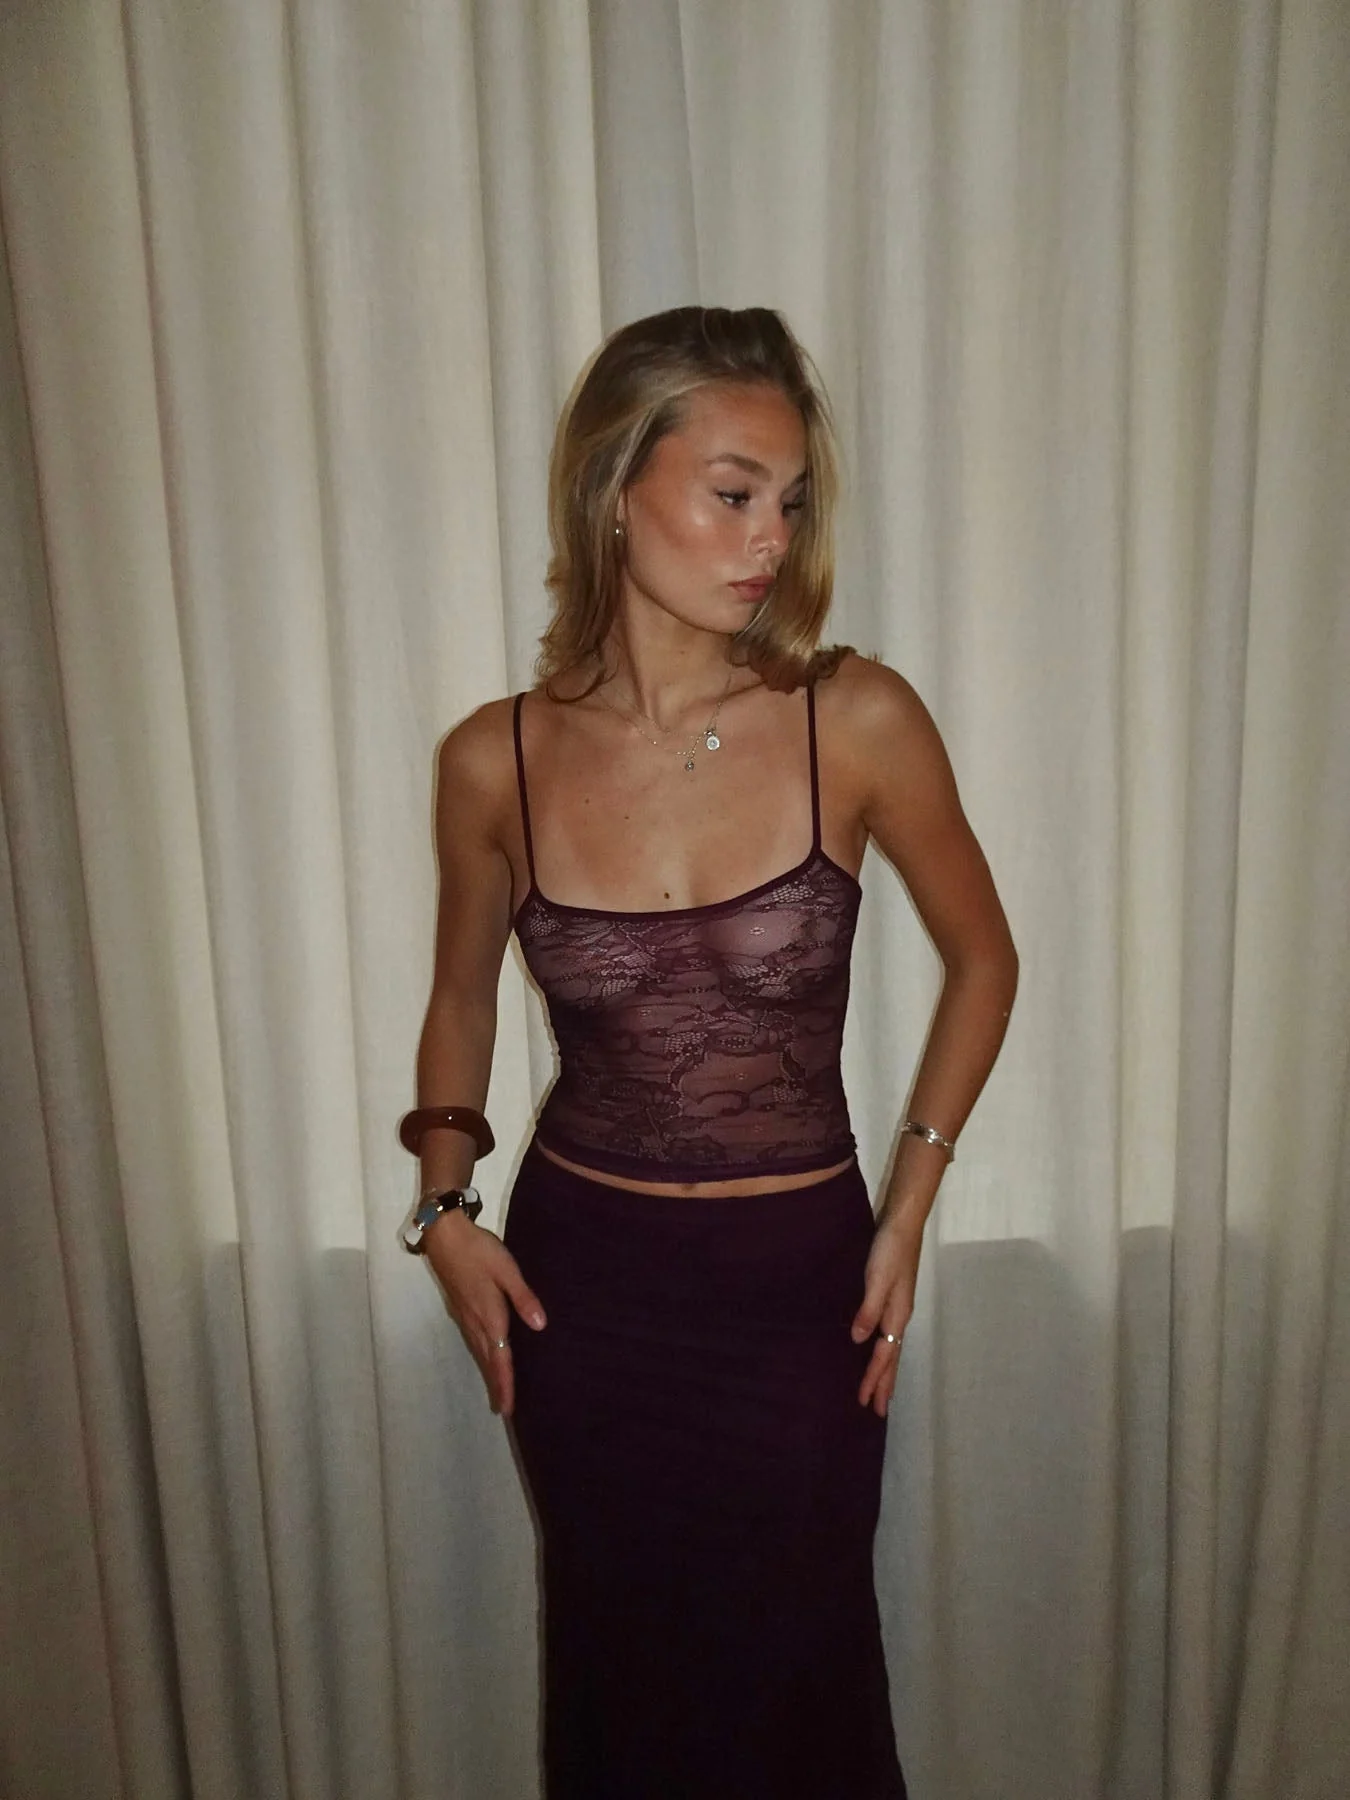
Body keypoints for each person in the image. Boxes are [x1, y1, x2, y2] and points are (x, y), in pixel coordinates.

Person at [399, 306, 1019, 1799]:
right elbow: (462, 1001)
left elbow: (985, 960)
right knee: (626, 1682)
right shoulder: (492, 758)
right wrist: (444, 1211)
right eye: (732, 492)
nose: (770, 540)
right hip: (588, 1293)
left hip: (798, 1290)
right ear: (615, 490)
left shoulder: (851, 718)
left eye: (789, 501)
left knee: (800, 1680)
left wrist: (908, 1210)